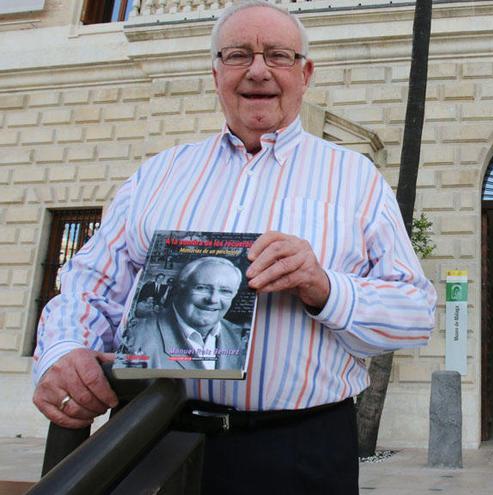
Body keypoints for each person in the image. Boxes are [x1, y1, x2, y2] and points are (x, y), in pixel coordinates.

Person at [30, 2, 436, 493]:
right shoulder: (157, 176)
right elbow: (89, 284)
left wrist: (323, 287)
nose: (258, 70)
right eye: (239, 54)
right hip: (153, 436)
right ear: (216, 71)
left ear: (304, 73)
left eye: (278, 55)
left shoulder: (356, 180)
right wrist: (65, 348)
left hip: (300, 451)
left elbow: (414, 313)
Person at [120, 257, 248, 371]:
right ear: (181, 287)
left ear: (234, 294)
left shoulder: (243, 338)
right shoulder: (137, 335)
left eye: (225, 291)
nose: (213, 299)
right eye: (202, 288)